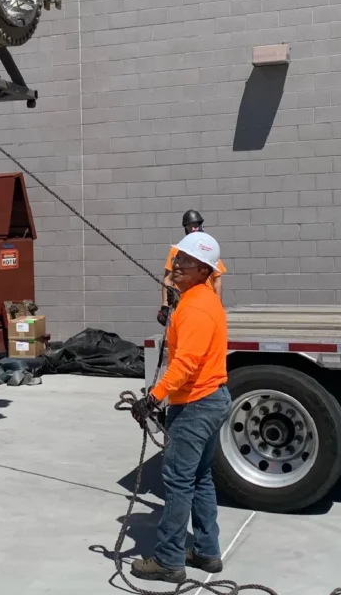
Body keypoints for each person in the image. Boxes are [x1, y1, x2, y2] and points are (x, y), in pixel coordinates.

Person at [130, 231, 230, 584]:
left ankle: (169, 560)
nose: (177, 267)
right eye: (177, 260)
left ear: (205, 271)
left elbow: (184, 363)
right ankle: (206, 551)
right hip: (208, 400)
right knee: (200, 477)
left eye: (186, 263)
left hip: (197, 405)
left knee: (177, 481)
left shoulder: (197, 308)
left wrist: (153, 398)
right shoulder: (195, 300)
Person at [159, 209, 225, 326]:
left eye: (196, 225)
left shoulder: (208, 249)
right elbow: (168, 278)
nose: (194, 229)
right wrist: (165, 305)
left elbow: (217, 279)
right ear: (186, 228)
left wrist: (218, 304)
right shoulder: (176, 250)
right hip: (182, 302)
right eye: (191, 226)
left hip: (204, 302)